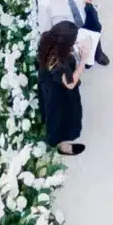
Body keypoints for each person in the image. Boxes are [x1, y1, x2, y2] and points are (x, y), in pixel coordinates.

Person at [30, 0, 110, 65]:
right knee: (78, 46)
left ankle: (98, 54)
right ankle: (85, 60)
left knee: (95, 29)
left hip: (83, 11)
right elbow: (45, 27)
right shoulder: (46, 0)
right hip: (70, 27)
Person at [36, 21, 88, 156]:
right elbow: (70, 83)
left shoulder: (48, 42)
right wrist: (83, 59)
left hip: (49, 84)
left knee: (54, 116)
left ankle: (60, 141)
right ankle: (62, 145)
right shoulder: (60, 65)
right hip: (60, 95)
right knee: (62, 118)